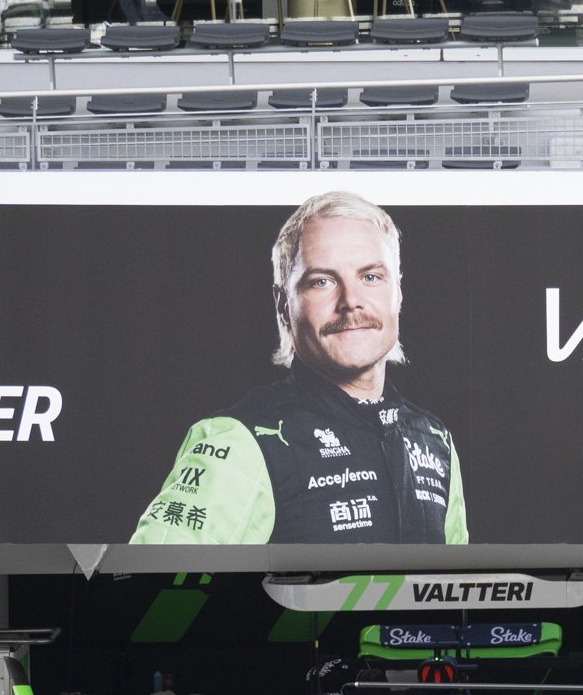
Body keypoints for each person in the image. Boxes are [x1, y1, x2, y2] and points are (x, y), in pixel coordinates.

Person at [131, 190, 468, 544]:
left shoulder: (433, 440)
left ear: (397, 292)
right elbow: (155, 577)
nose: (351, 301)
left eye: (370, 277)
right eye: (322, 281)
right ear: (283, 304)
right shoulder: (240, 441)